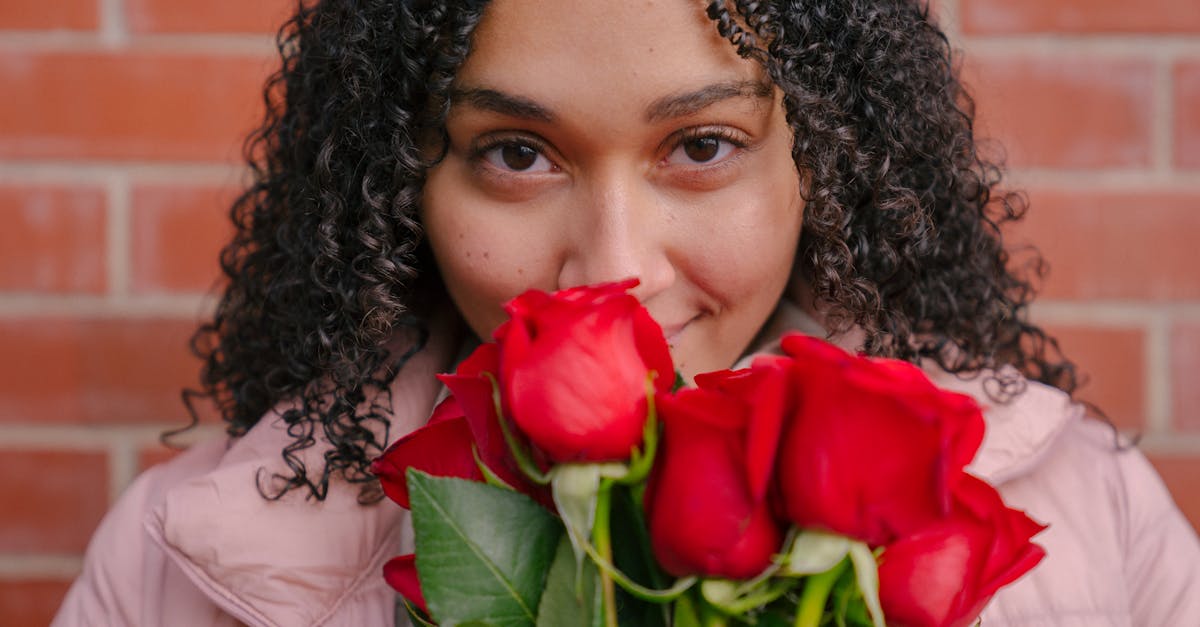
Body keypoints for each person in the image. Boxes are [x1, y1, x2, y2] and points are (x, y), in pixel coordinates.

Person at [53, 0, 1200, 625]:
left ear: (828, 165)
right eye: (515, 153)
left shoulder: (1090, 520)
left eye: (701, 147)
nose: (613, 269)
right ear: (400, 179)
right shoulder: (176, 566)